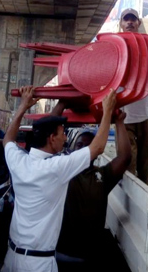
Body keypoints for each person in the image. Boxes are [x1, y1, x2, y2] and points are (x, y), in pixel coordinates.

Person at [2, 86, 117, 272]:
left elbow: (7, 139)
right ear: (51, 138)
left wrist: (23, 105)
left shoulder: (19, 161)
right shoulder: (55, 168)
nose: (65, 138)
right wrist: (108, 110)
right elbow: (97, 148)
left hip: (12, 257)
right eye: (63, 133)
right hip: (37, 264)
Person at [56, 111, 131, 271]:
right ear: (73, 148)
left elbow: (124, 158)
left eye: (88, 146)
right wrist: (62, 106)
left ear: (96, 151)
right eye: (79, 145)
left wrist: (119, 122)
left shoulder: (103, 175)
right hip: (62, 254)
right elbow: (46, 143)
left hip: (91, 258)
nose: (83, 149)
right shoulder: (62, 171)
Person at [119, 8, 148, 186]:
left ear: (138, 23)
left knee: (146, 160)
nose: (129, 22)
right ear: (121, 24)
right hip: (125, 112)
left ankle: (144, 201)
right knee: (127, 157)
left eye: (133, 19)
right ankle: (129, 195)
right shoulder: (116, 46)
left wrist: (125, 76)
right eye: (126, 19)